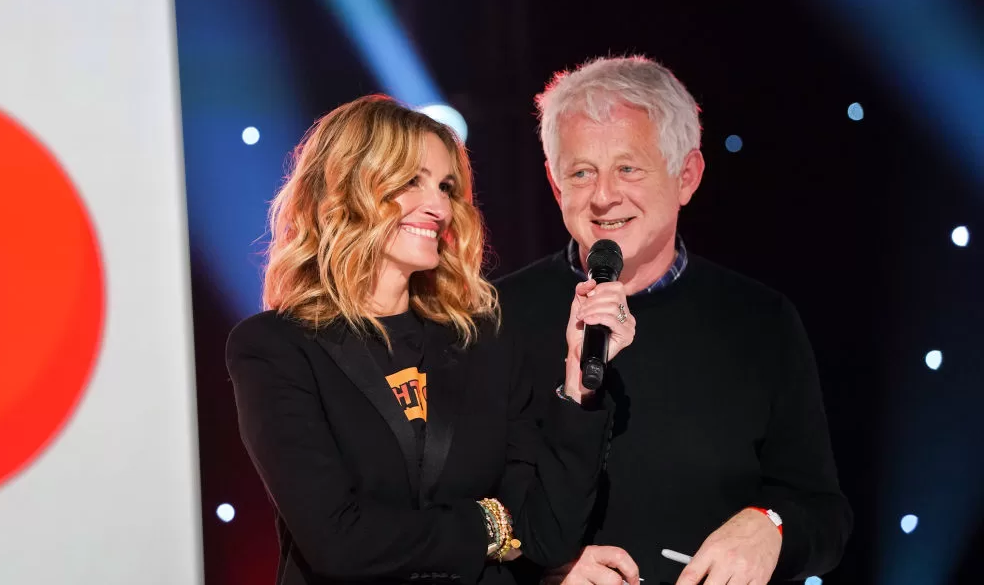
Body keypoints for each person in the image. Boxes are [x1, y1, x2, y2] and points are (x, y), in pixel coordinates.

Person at [226, 95, 638, 585]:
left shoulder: (482, 339)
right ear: (347, 188)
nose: (439, 205)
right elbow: (340, 543)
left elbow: (546, 535)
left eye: (445, 186)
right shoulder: (276, 348)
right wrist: (489, 525)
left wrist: (578, 384)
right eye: (410, 181)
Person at [496, 57, 852, 585]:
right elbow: (455, 511)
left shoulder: (761, 320)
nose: (603, 196)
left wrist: (770, 526)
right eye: (581, 172)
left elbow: (825, 515)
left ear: (687, 176)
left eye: (628, 168)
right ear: (554, 185)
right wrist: (541, 567)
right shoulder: (493, 316)